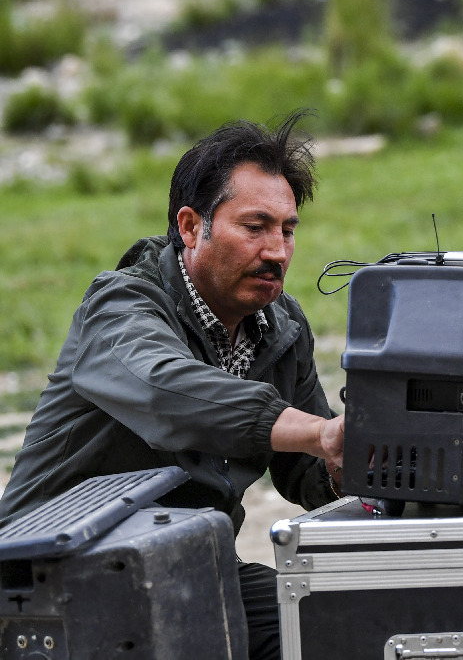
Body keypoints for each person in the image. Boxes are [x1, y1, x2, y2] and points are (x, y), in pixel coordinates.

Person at [0, 110, 344, 660]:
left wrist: (350, 458)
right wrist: (318, 433)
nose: (277, 252)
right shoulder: (121, 306)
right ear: (189, 227)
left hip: (187, 565)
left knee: (329, 621)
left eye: (287, 230)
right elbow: (167, 392)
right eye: (254, 227)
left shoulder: (282, 327)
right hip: (52, 579)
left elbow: (306, 469)